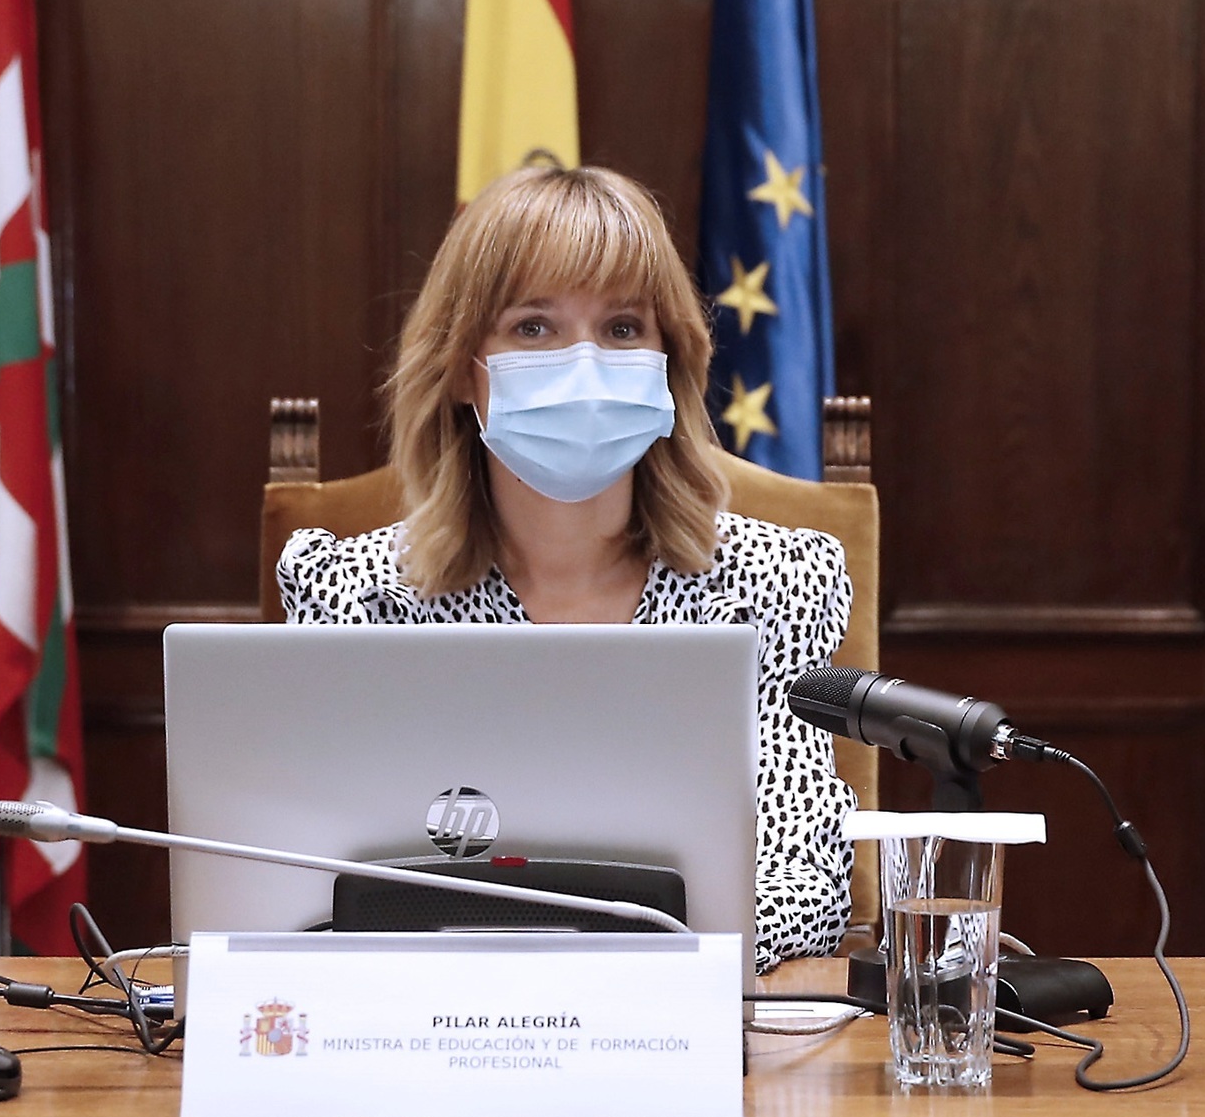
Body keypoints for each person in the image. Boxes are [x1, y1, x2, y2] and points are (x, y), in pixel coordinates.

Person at [277, 163, 856, 968]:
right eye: (534, 328)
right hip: (430, 1011)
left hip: (672, 1009)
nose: (584, 364)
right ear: (461, 368)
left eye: (621, 328)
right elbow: (307, 890)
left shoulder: (773, 582)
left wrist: (619, 963)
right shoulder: (361, 596)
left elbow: (805, 879)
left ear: (670, 361)